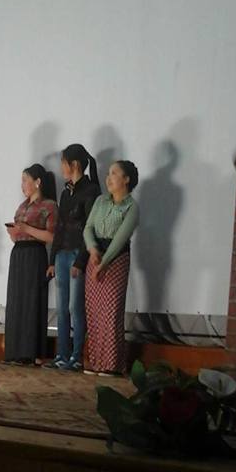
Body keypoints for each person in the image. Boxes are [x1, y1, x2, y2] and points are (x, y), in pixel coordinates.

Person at [44, 144, 100, 371]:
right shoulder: (66, 192)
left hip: (78, 254)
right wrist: (52, 259)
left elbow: (90, 228)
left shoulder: (91, 191)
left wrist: (81, 261)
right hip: (62, 254)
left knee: (76, 307)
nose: (61, 168)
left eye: (63, 163)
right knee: (62, 308)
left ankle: (77, 356)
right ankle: (61, 354)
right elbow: (59, 227)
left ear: (74, 164)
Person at [83, 160, 140, 376]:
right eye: (108, 173)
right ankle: (95, 360)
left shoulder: (132, 207)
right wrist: (92, 250)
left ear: (126, 179)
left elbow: (120, 239)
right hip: (95, 258)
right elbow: (88, 228)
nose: (109, 178)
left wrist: (104, 262)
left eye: (114, 173)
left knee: (111, 311)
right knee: (94, 311)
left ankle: (112, 364)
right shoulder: (100, 201)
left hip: (116, 260)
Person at [4, 164, 58, 365]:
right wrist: (14, 233)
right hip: (18, 253)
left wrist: (26, 228)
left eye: (25, 180)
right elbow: (19, 234)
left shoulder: (49, 205)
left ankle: (30, 353)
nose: (22, 185)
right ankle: (14, 351)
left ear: (37, 182)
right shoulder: (22, 206)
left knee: (31, 301)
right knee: (16, 300)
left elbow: (52, 236)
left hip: (35, 254)